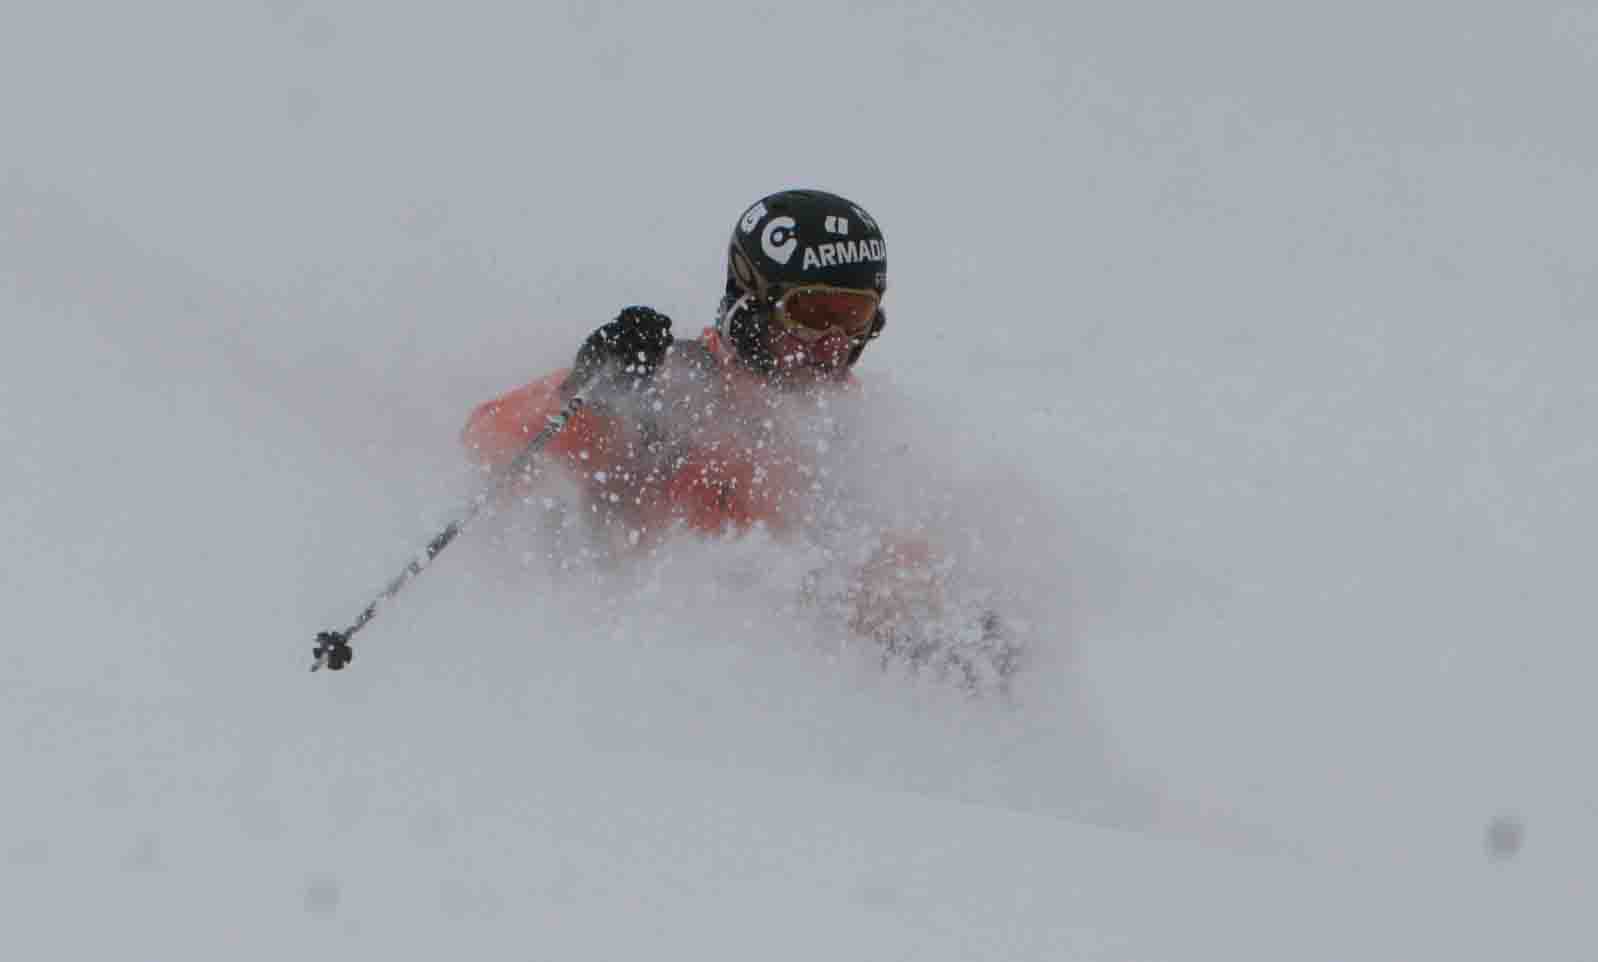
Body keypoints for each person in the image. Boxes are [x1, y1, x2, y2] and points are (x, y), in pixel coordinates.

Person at [462, 189, 1018, 689]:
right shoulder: (671, 383)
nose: (829, 342)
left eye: (852, 316)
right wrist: (587, 390)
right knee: (725, 472)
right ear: (751, 298)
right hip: (652, 665)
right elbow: (488, 437)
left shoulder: (866, 425)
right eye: (811, 313)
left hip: (815, 690)